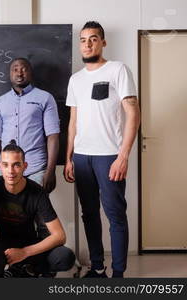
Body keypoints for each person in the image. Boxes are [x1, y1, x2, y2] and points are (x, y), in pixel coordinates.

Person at [63, 21, 140, 278]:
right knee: (89, 214)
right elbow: (73, 121)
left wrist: (123, 156)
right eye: (83, 40)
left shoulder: (118, 70)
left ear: (103, 42)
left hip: (109, 155)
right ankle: (97, 267)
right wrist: (69, 157)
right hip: (82, 156)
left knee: (115, 214)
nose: (87, 43)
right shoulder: (76, 80)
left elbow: (133, 113)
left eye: (93, 39)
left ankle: (118, 274)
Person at [0, 141, 75, 277]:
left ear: (25, 166)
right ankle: (20, 270)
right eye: (6, 165)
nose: (11, 171)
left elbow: (60, 236)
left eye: (16, 165)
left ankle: (25, 269)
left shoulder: (37, 192)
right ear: (0, 166)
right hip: (0, 245)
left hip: (27, 244)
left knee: (65, 257)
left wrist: (25, 252)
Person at [0, 58, 60, 192]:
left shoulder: (45, 98)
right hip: (6, 170)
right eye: (15, 69)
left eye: (23, 69)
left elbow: (53, 136)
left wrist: (51, 171)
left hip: (36, 168)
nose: (19, 73)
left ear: (30, 73)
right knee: (6, 210)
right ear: (10, 74)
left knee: (34, 211)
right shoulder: (0, 102)